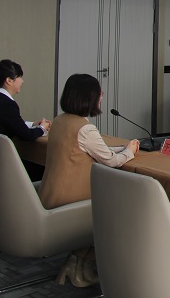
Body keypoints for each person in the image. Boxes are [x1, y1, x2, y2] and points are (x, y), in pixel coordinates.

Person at [39, 73, 140, 287]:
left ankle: (76, 266)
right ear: (88, 97)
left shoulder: (60, 120)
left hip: (49, 194)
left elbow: (90, 150)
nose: (101, 97)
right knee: (119, 208)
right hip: (70, 200)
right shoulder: (85, 129)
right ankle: (79, 264)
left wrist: (120, 148)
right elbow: (111, 162)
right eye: (99, 94)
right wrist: (129, 151)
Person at [0, 57, 51, 174]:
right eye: (20, 77)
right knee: (42, 168)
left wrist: (33, 124)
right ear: (9, 80)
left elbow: (10, 122)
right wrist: (42, 128)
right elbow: (26, 135)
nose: (22, 81)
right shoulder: (7, 104)